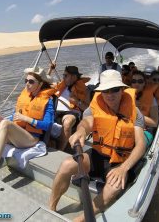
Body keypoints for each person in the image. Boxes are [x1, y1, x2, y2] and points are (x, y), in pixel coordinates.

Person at [49, 70, 145, 221]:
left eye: (115, 90)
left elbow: (140, 144)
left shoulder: (135, 112)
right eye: (106, 90)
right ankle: (51, 208)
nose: (110, 94)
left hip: (119, 162)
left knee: (113, 188)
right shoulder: (95, 107)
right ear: (101, 91)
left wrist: (123, 168)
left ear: (122, 90)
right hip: (97, 156)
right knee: (66, 165)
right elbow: (87, 122)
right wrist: (80, 131)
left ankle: (79, 219)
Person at [51, 65, 90, 151]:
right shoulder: (61, 85)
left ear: (74, 77)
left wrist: (76, 101)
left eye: (65, 75)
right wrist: (50, 69)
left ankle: (60, 151)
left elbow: (88, 109)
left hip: (71, 113)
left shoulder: (85, 90)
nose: (63, 78)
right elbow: (44, 81)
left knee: (67, 122)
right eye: (63, 75)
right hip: (55, 111)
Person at [131, 71, 159, 147]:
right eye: (134, 81)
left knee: (135, 145)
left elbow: (154, 123)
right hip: (127, 127)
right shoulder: (125, 96)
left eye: (140, 81)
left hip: (145, 128)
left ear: (144, 83)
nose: (136, 84)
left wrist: (134, 111)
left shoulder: (151, 99)